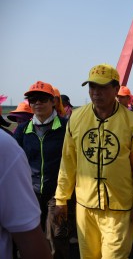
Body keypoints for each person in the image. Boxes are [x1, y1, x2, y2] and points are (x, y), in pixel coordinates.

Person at [54, 63, 133, 258]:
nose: (96, 92)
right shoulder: (75, 119)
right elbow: (68, 162)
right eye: (92, 87)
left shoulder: (132, 122)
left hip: (119, 208)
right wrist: (61, 198)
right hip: (85, 207)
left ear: (116, 89)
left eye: (102, 87)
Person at [14, 81, 69, 259]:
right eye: (33, 99)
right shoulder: (23, 130)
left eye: (42, 99)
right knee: (31, 237)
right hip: (31, 192)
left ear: (53, 101)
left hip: (57, 192)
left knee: (55, 236)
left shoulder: (66, 127)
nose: (37, 103)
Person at [0, 129, 52, 259]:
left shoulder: (63, 127)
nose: (37, 106)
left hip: (53, 192)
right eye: (33, 105)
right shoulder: (18, 133)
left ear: (53, 106)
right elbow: (28, 239)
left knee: (53, 233)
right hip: (31, 188)